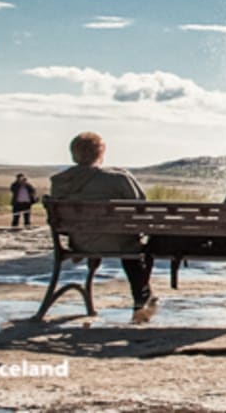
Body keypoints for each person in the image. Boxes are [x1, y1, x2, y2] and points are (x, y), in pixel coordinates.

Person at [49, 131, 157, 323]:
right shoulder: (118, 178)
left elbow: (61, 225)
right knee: (141, 249)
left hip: (81, 243)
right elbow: (141, 208)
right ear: (101, 153)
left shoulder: (60, 182)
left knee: (129, 244)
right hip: (119, 241)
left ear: (74, 154)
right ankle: (141, 298)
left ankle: (144, 298)